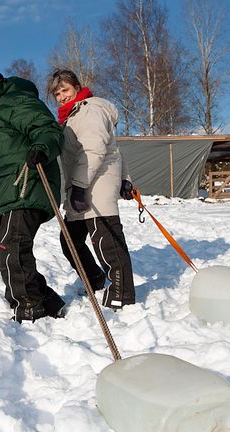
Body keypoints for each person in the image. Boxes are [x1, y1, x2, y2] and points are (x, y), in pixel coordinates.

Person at [0, 63, 66, 323]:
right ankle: (47, 301)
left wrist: (41, 147)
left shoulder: (13, 100)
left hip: (24, 186)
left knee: (12, 247)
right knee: (2, 251)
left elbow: (47, 128)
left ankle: (29, 306)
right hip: (6, 193)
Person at [47, 69, 135, 310]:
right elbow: (114, 148)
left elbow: (95, 150)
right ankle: (95, 280)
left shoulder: (89, 110)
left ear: (76, 86)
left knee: (107, 242)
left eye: (65, 90)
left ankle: (122, 294)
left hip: (95, 185)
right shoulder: (73, 115)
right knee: (70, 240)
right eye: (57, 93)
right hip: (84, 183)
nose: (61, 96)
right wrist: (126, 179)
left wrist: (78, 187)